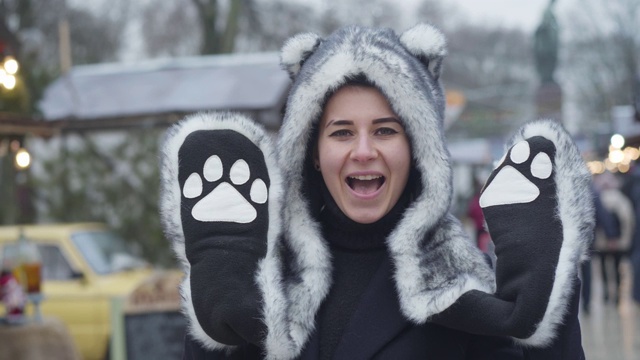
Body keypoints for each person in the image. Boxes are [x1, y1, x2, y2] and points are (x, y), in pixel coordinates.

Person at [160, 23, 593, 359]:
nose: (363, 151)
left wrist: (551, 294)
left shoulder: (462, 281)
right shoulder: (256, 274)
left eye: (385, 131)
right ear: (312, 151)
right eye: (342, 132)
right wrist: (215, 298)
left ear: (416, 149)